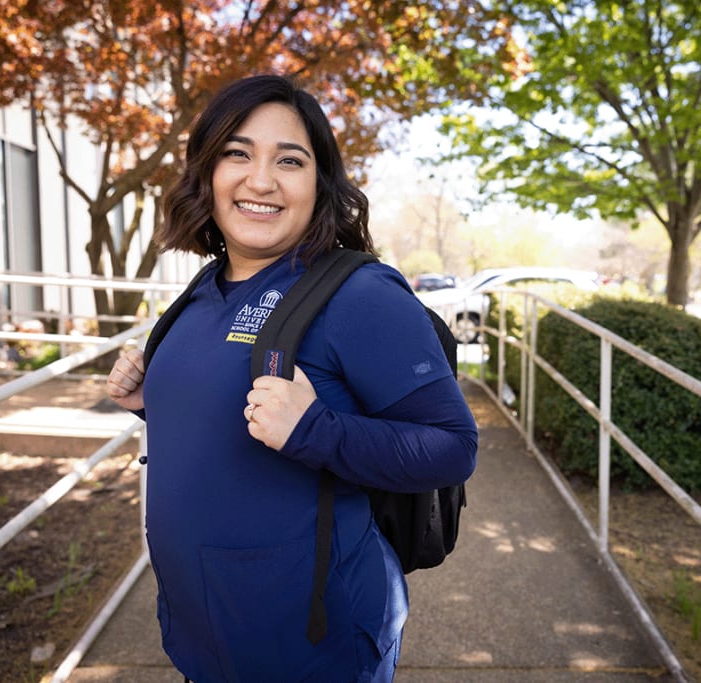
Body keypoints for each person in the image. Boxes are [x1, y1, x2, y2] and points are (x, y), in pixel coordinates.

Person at [106, 74, 478, 682]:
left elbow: (452, 447)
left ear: (319, 184)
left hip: (312, 647)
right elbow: (229, 427)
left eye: (290, 160)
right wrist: (156, 402)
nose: (261, 180)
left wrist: (315, 430)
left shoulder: (361, 295)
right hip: (206, 631)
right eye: (237, 153)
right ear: (207, 172)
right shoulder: (205, 287)